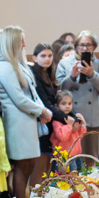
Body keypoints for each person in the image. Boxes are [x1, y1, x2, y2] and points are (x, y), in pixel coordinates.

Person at [0, 26, 52, 198]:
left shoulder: (18, 63)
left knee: (29, 164)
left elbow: (32, 93)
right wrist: (41, 111)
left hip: (27, 119)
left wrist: (42, 109)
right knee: (22, 165)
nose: (25, 44)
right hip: (17, 121)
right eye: (21, 41)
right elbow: (18, 98)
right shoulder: (3, 66)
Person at [55, 30, 99, 159]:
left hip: (94, 118)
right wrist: (72, 77)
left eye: (88, 45)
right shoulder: (65, 64)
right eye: (81, 45)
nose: (84, 48)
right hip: (71, 117)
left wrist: (93, 74)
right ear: (76, 46)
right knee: (72, 159)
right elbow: (59, 89)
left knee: (91, 159)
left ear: (94, 47)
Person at [29, 43, 58, 185]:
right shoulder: (34, 74)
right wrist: (66, 117)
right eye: (43, 56)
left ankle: (44, 196)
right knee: (39, 165)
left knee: (47, 165)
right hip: (41, 123)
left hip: (51, 123)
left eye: (50, 55)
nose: (47, 59)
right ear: (34, 58)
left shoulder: (49, 73)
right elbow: (45, 103)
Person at [50, 90, 87, 168]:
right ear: (56, 106)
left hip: (75, 154)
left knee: (76, 175)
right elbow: (62, 137)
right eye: (63, 104)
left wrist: (82, 124)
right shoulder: (57, 121)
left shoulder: (73, 118)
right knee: (66, 177)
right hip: (63, 156)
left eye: (69, 103)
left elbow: (79, 136)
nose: (67, 106)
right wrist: (69, 126)